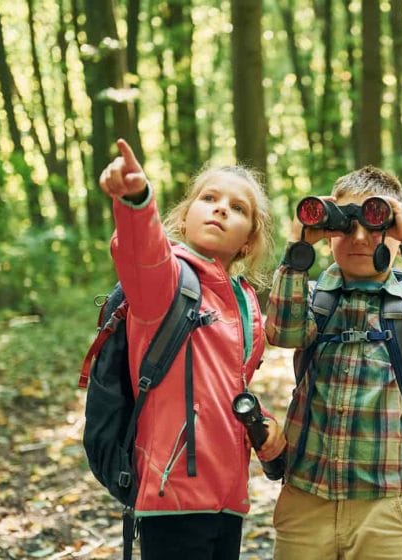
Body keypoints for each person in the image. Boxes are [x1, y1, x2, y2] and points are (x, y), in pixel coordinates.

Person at [97, 139, 286, 559]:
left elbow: (224, 387)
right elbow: (139, 253)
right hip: (172, 492)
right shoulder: (164, 284)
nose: (221, 208)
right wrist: (135, 202)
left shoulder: (243, 302)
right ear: (184, 218)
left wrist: (264, 426)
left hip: (229, 498)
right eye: (209, 198)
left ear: (248, 242)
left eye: (238, 208)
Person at [265, 166, 402, 560]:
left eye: (373, 225)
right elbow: (283, 333)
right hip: (308, 495)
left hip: (385, 500)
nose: (358, 238)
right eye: (345, 225)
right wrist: (297, 249)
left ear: (394, 228)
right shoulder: (313, 296)